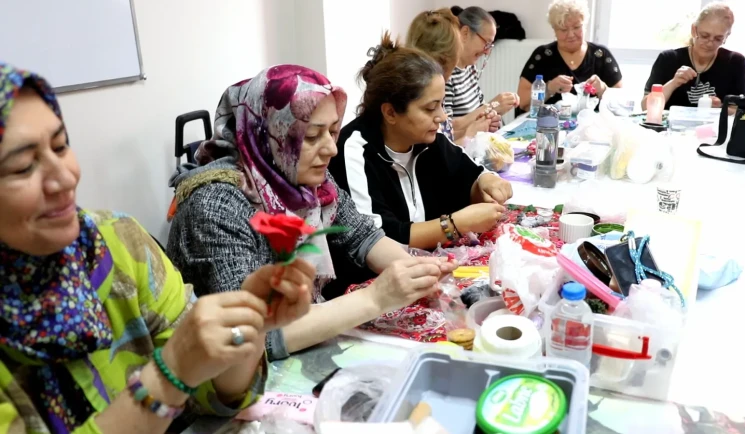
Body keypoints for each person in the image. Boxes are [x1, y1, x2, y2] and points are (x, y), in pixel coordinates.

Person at [0, 63, 313, 433]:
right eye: (23, 167)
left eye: (60, 145)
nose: (66, 178)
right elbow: (183, 373)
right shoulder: (216, 202)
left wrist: (248, 326)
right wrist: (171, 370)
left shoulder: (116, 242)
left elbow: (214, 393)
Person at [167, 65, 456, 350]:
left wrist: (418, 270)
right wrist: (376, 298)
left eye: (332, 131)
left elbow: (361, 236)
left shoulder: (298, 174)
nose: (332, 148)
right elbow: (255, 336)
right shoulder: (215, 206)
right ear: (269, 134)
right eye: (312, 136)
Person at [329, 33, 513, 252]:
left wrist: (487, 184)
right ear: (390, 112)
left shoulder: (427, 140)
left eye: (442, 104)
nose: (442, 116)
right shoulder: (354, 150)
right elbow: (378, 238)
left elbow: (470, 175)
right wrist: (455, 225)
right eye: (430, 108)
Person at [518, 0, 622, 113]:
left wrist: (603, 90)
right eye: (563, 29)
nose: (571, 35)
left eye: (577, 27)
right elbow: (522, 102)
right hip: (549, 126)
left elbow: (621, 103)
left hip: (592, 126)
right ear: (554, 30)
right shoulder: (543, 56)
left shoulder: (601, 55)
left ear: (585, 25)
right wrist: (549, 89)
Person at [405, 8, 490, 144]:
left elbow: (444, 136)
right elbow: (438, 156)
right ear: (446, 59)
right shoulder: (420, 94)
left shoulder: (423, 86)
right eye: (431, 108)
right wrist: (469, 135)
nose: (443, 116)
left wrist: (475, 128)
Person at [643, 2, 745, 110]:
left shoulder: (734, 62)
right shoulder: (668, 59)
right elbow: (645, 108)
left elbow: (740, 111)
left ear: (726, 36)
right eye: (704, 36)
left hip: (713, 126)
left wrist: (720, 107)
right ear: (694, 30)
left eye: (718, 39)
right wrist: (673, 83)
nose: (710, 43)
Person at [446, 6, 517, 134]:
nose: (488, 51)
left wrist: (493, 117)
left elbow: (479, 109)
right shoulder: (446, 75)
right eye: (487, 43)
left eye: (491, 45)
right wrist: (492, 106)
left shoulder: (470, 68)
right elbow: (446, 131)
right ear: (465, 33)